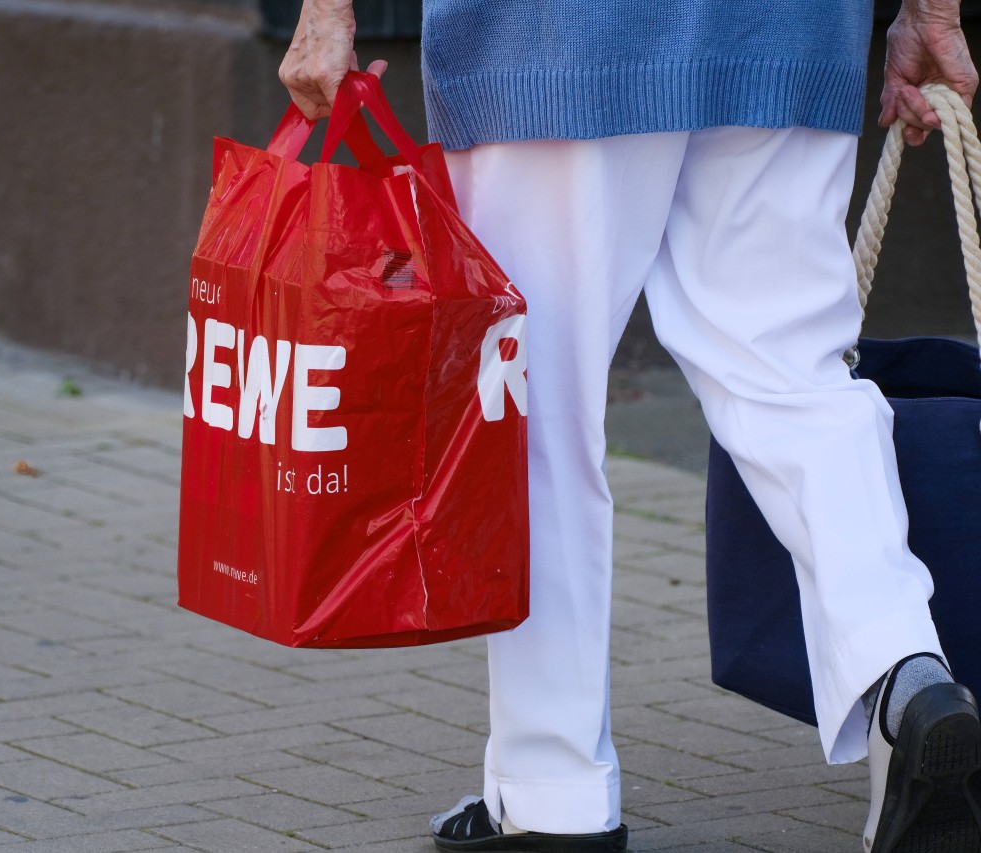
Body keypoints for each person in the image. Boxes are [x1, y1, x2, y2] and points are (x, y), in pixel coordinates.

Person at [280, 1, 981, 852]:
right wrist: (931, 11)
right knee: (793, 373)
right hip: (789, 28)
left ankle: (553, 790)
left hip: (556, 40)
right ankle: (903, 669)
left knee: (534, 409)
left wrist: (324, 9)